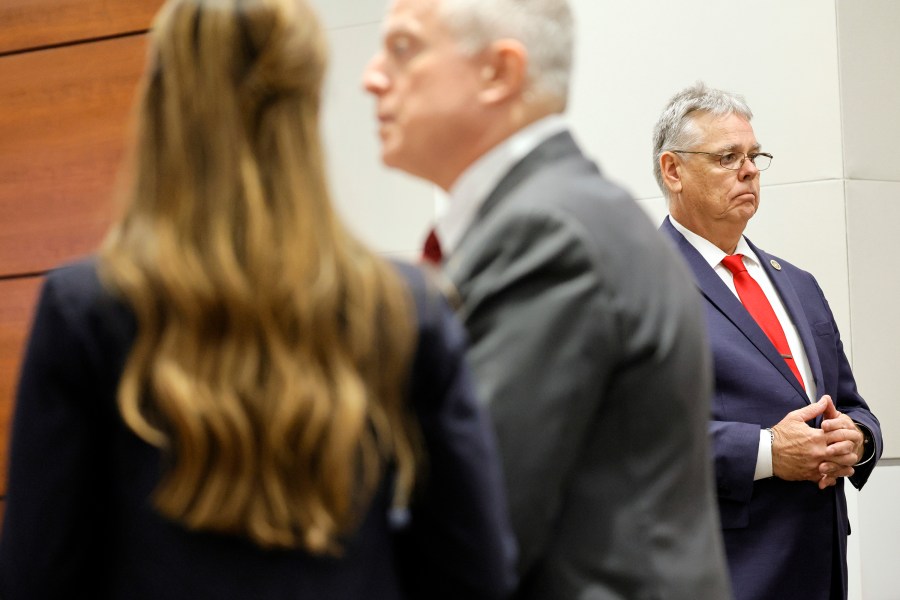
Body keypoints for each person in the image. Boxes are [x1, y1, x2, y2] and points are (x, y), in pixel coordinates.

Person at [0, 0, 517, 598]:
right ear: (308, 101)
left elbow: (38, 576)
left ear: (162, 101)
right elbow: (472, 572)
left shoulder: (87, 309)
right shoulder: (405, 307)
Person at [363, 2, 731, 599]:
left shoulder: (547, 232)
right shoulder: (562, 212)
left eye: (403, 49)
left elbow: (476, 523)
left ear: (498, 73)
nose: (371, 76)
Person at [654, 82, 883, 600]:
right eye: (727, 157)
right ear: (673, 171)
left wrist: (859, 440)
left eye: (754, 156)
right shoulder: (634, 282)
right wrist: (765, 452)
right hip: (720, 572)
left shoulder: (796, 282)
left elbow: (849, 404)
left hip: (820, 568)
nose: (750, 170)